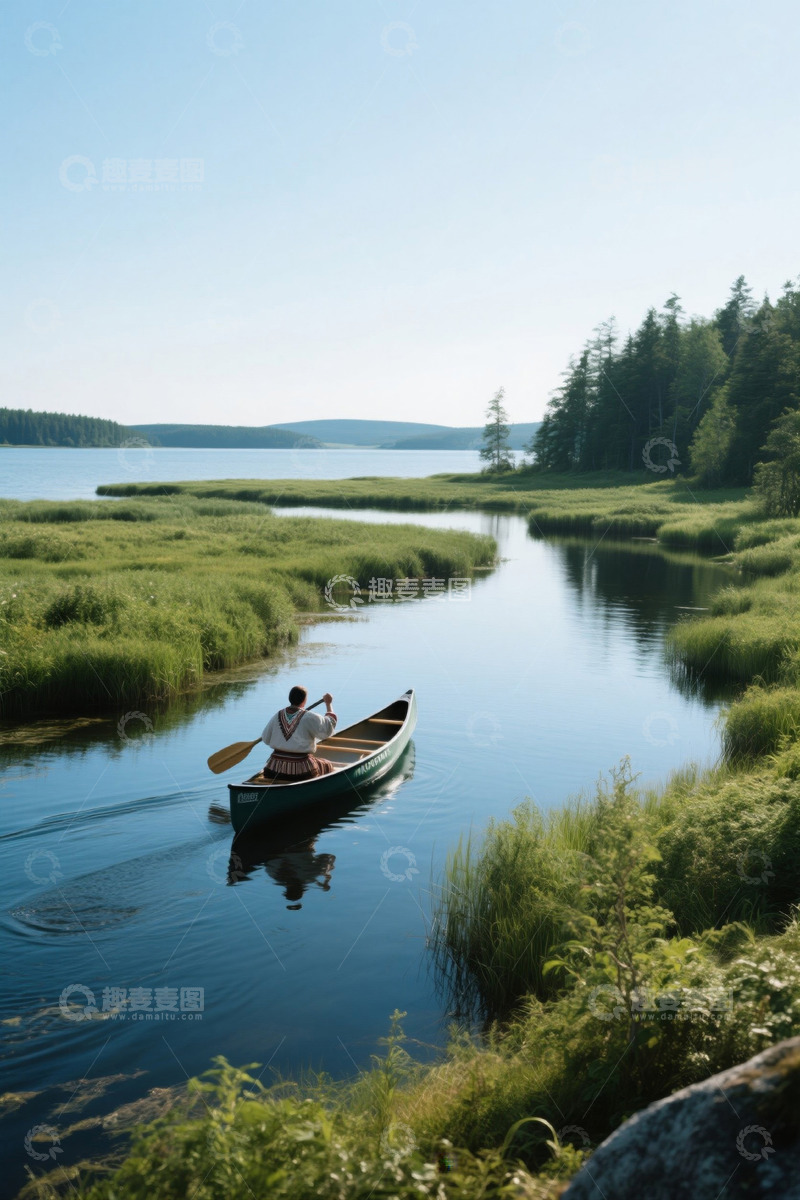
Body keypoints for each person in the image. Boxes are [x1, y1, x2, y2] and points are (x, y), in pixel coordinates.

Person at [260, 686, 337, 782]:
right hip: (301, 773)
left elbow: (266, 739)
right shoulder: (309, 717)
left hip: (272, 770)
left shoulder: (277, 715)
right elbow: (328, 728)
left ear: (290, 699)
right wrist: (328, 704)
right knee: (327, 765)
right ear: (304, 700)